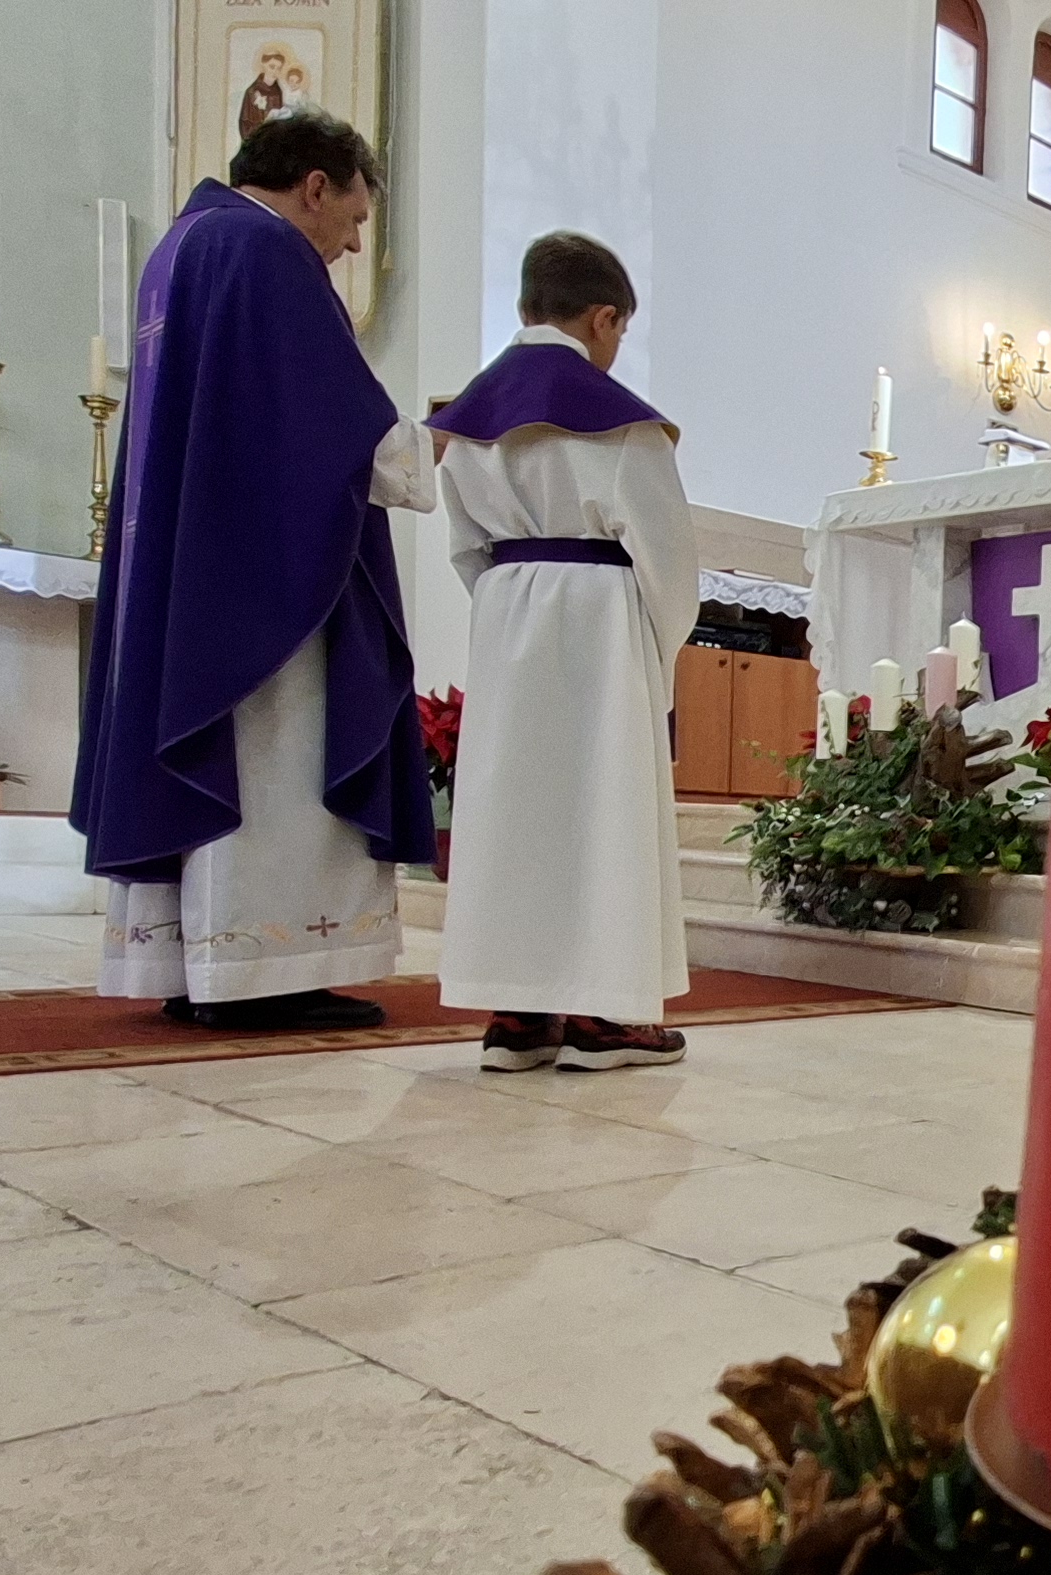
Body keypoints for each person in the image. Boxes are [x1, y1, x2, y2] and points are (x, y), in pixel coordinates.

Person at [75, 111, 438, 1031]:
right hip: (260, 583)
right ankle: (265, 967)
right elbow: (332, 421)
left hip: (199, 562)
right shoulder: (265, 249)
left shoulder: (181, 248)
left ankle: (193, 962)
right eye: (354, 219)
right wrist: (434, 443)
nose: (351, 244)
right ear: (315, 186)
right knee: (279, 756)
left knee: (223, 752)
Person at [427, 233, 698, 1071]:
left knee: (517, 811)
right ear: (603, 317)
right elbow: (668, 563)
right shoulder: (622, 426)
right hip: (603, 620)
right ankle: (606, 1016)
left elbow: (465, 548)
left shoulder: (468, 423)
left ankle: (518, 1015)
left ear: (525, 308)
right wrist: (658, 660)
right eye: (620, 331)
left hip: (508, 612)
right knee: (604, 809)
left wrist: (511, 613)